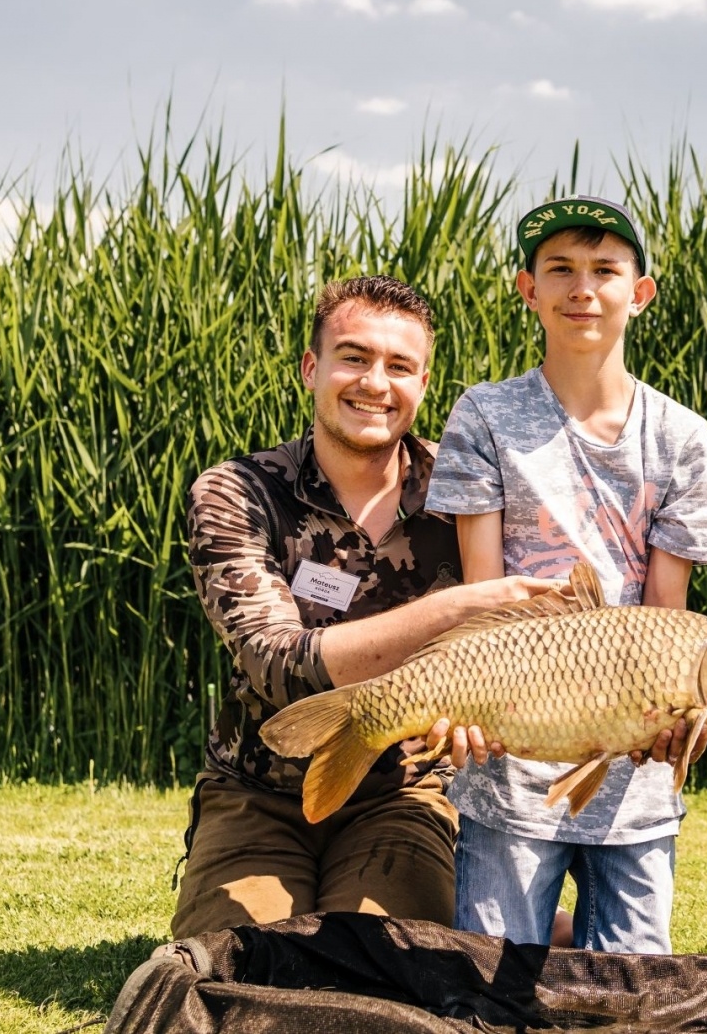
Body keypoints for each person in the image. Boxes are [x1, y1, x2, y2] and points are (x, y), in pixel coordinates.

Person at [171, 275, 562, 939]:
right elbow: (276, 663)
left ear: (424, 382)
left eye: (399, 366)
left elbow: (529, 642)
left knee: (378, 963)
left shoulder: (467, 494)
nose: (375, 383)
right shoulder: (237, 492)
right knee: (246, 966)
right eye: (354, 356)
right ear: (311, 368)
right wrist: (452, 609)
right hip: (259, 793)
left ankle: (515, 930)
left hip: (403, 793)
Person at [424, 195, 707, 953]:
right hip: (507, 770)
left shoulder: (683, 437)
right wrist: (461, 705)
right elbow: (481, 603)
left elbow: (669, 619)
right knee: (489, 989)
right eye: (559, 269)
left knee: (633, 998)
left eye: (604, 270)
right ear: (528, 289)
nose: (582, 288)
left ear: (640, 291)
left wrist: (677, 722)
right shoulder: (484, 415)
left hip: (636, 781)